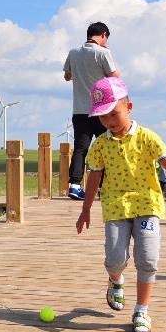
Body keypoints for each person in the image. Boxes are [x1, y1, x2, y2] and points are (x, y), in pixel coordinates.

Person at [76, 77, 166, 332]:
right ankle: (116, 281)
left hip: (147, 204)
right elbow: (94, 176)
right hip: (116, 206)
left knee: (148, 259)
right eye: (102, 117)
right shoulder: (101, 145)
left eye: (113, 113)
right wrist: (85, 210)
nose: (109, 122)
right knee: (114, 260)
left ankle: (142, 309)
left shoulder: (147, 137)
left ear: (129, 107)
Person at [63, 22, 120, 200]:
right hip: (102, 109)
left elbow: (67, 76)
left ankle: (75, 185)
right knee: (107, 147)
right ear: (103, 35)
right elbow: (115, 77)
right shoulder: (103, 52)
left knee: (81, 147)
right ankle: (105, 186)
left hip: (80, 109)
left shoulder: (73, 53)